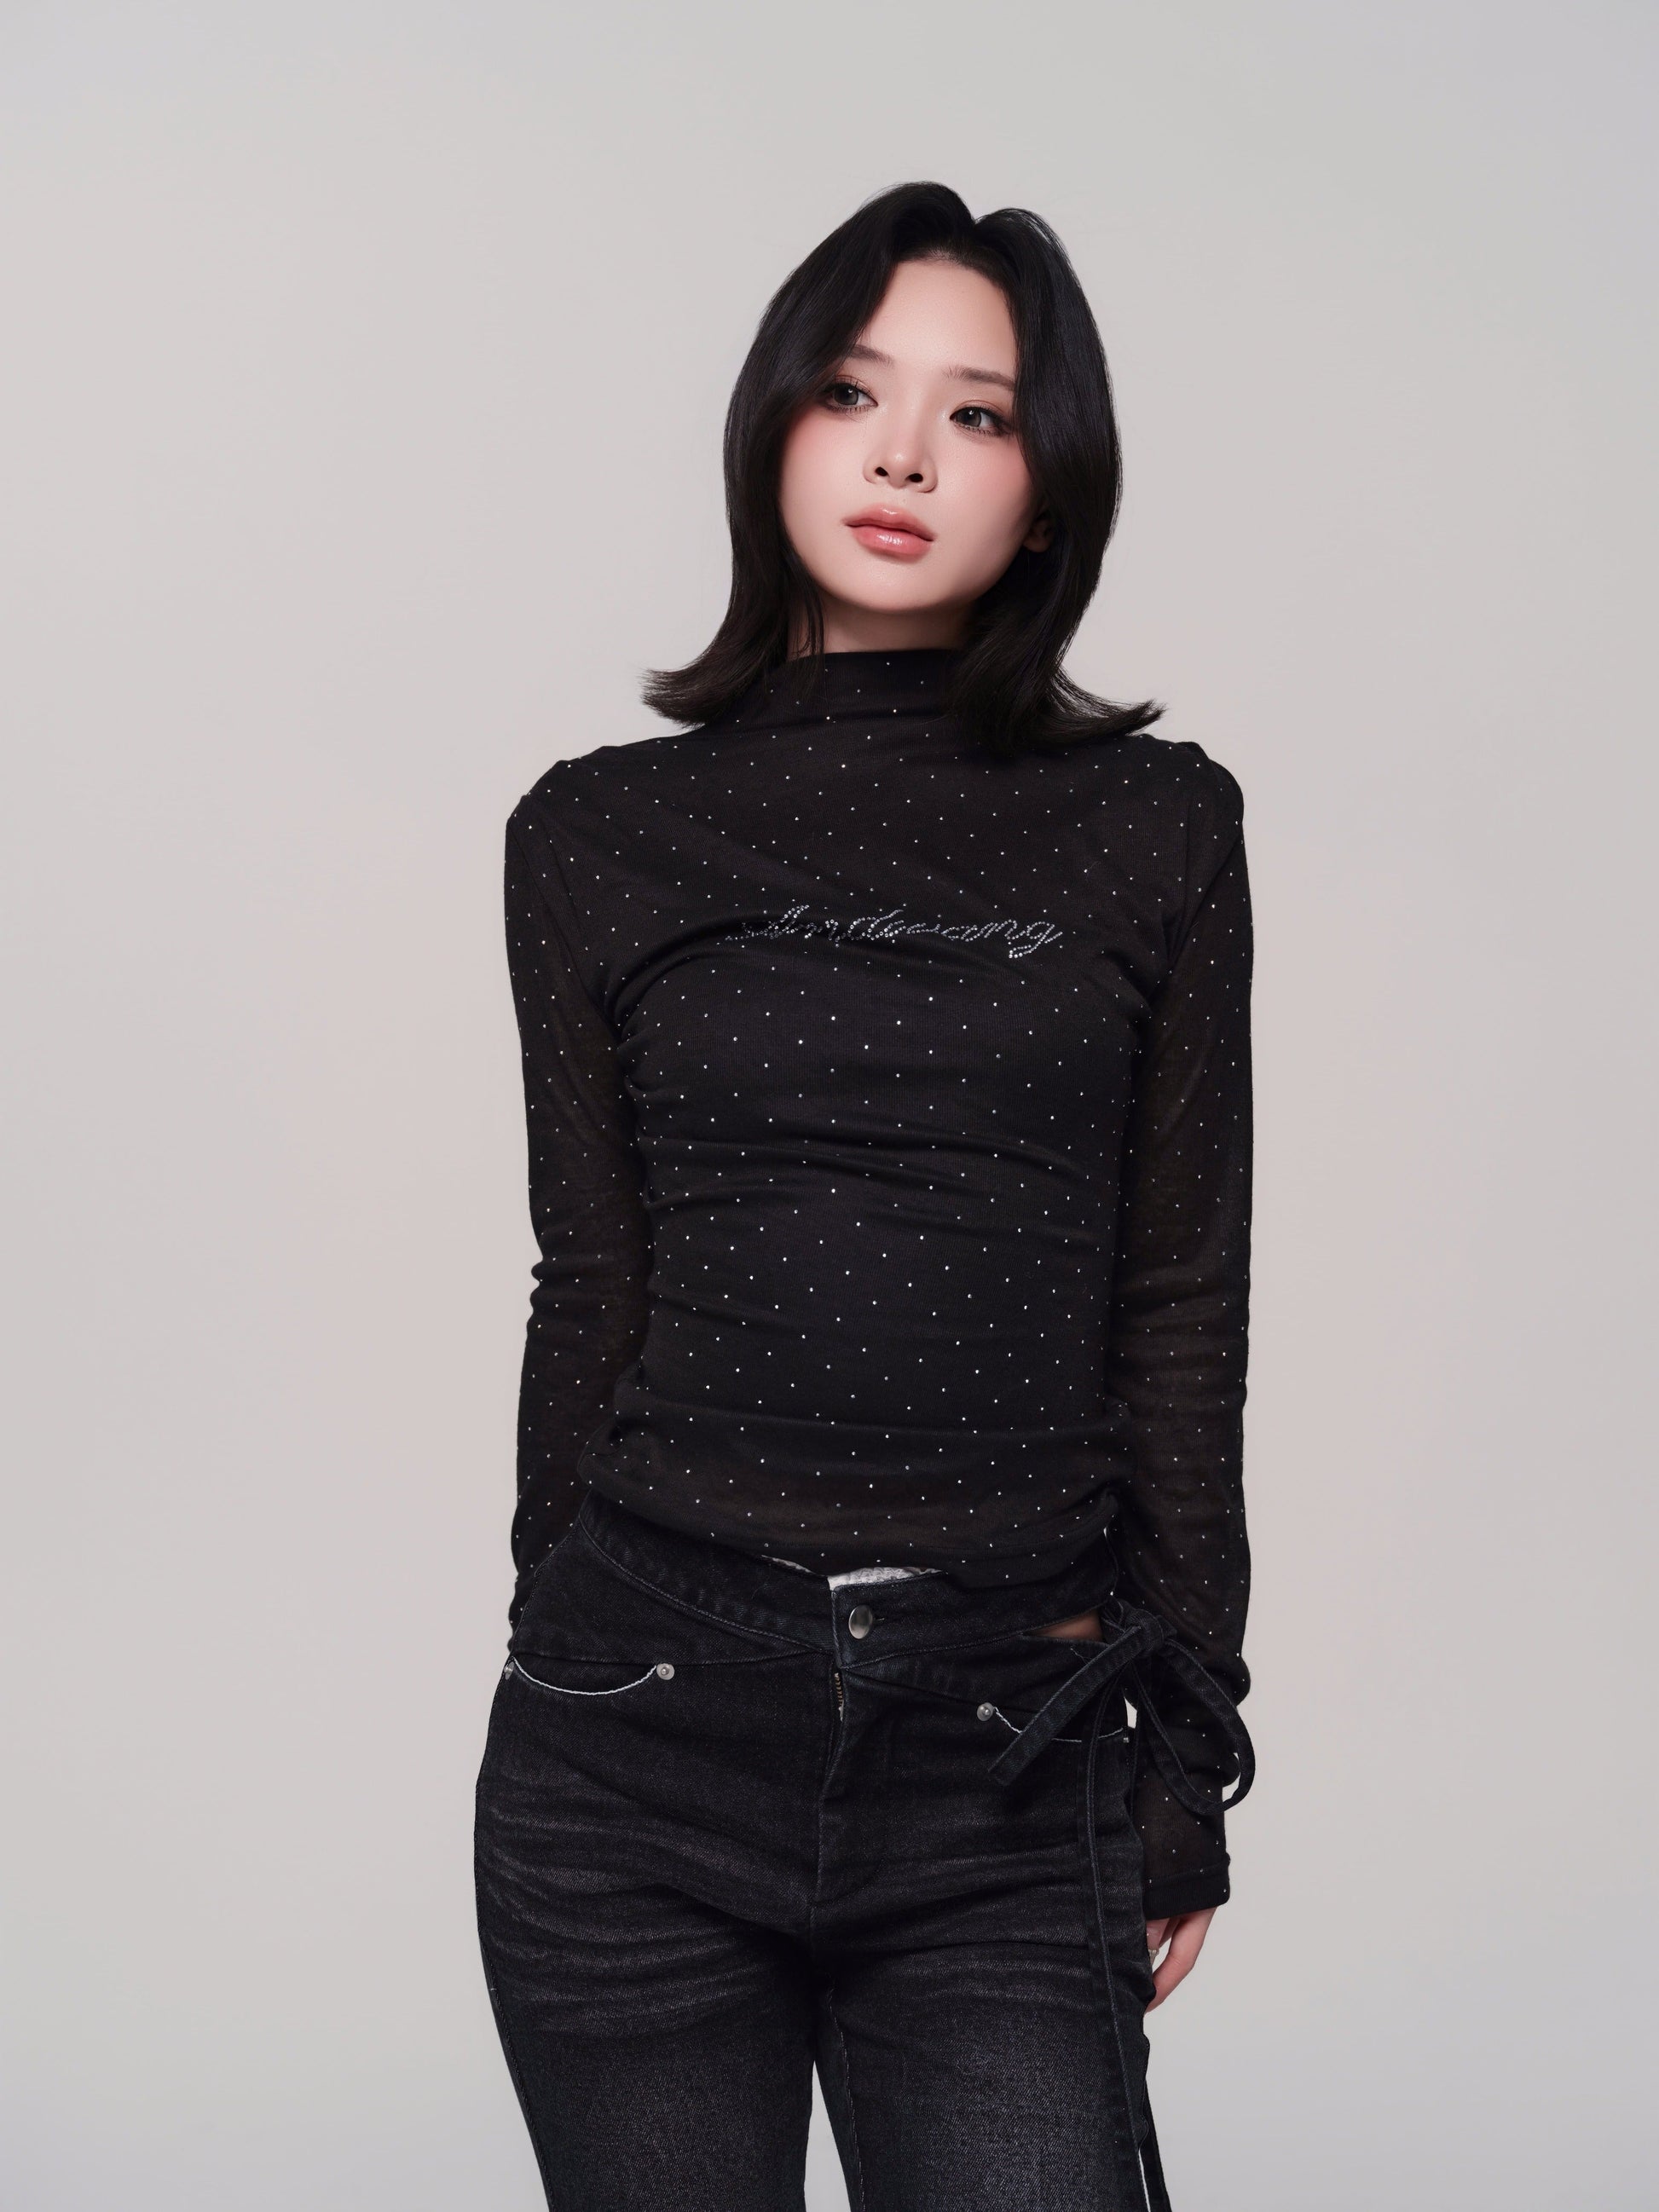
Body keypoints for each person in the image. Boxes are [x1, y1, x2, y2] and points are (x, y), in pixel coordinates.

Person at [474, 181, 1256, 2212]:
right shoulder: (594, 834)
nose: (903, 454)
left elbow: (1180, 1303)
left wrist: (1185, 1750)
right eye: (851, 390)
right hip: (635, 1730)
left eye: (975, 414)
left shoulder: (1156, 827)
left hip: (1005, 1748)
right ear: (772, 428)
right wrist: (556, 1616)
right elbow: (591, 1277)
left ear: (1048, 490)